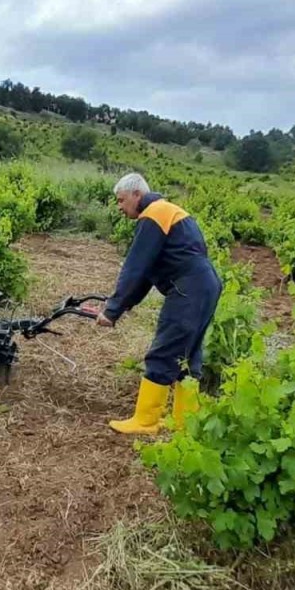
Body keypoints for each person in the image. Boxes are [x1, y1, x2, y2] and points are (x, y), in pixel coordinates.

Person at [96, 172, 222, 434]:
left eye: (121, 200)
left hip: (188, 288)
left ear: (137, 195)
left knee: (164, 351)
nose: (120, 207)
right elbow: (146, 275)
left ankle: (146, 421)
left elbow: (135, 267)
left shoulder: (153, 214)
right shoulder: (167, 210)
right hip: (205, 284)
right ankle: (184, 420)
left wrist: (111, 311)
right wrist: (120, 306)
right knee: (188, 353)